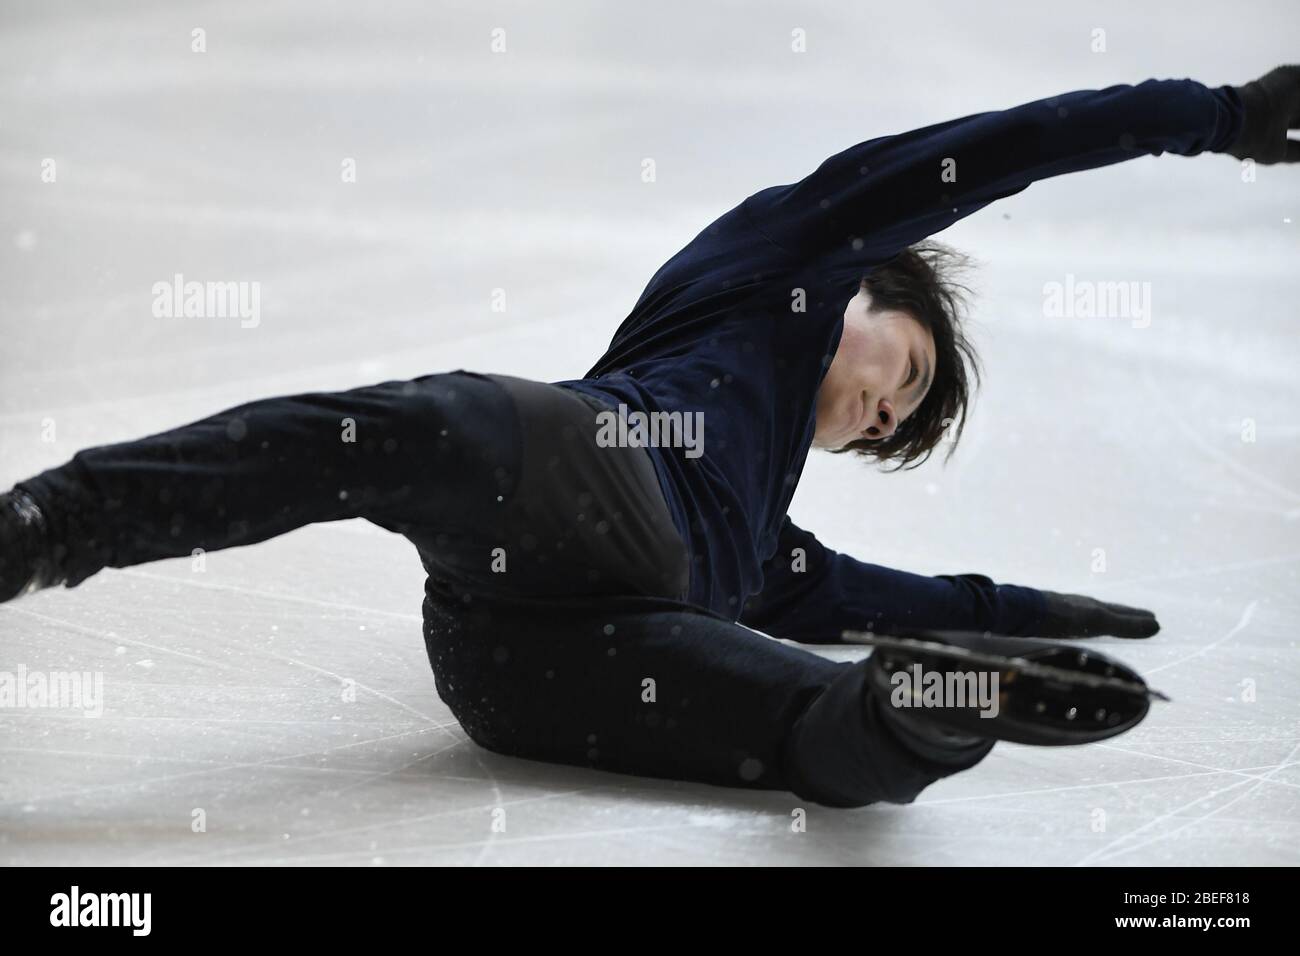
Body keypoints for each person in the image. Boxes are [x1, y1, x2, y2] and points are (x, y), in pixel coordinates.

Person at [2, 68, 1296, 808]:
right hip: (586, 477)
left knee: (826, 720)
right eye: (898, 372)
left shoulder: (773, 552)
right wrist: (1218, 117)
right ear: (865, 289)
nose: (884, 412)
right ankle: (42, 529)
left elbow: (879, 593)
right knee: (418, 430)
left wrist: (1005, 616)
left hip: (528, 681)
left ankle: (936, 711)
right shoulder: (779, 267)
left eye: (895, 427)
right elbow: (996, 151)